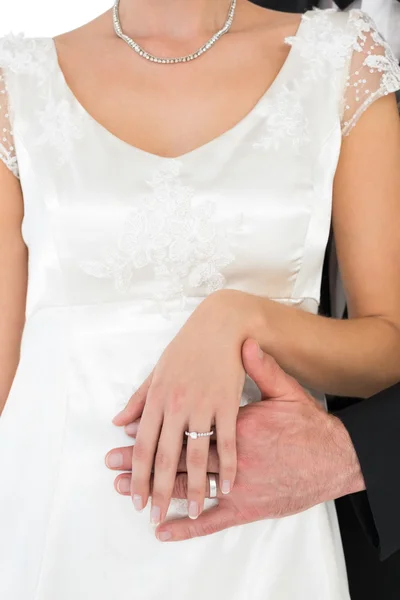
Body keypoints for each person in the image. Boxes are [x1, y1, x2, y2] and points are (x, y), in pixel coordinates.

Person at [0, 1, 400, 599]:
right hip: (59, 531)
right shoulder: (17, 81)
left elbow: (390, 346)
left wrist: (242, 318)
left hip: (263, 527)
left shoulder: (341, 60)